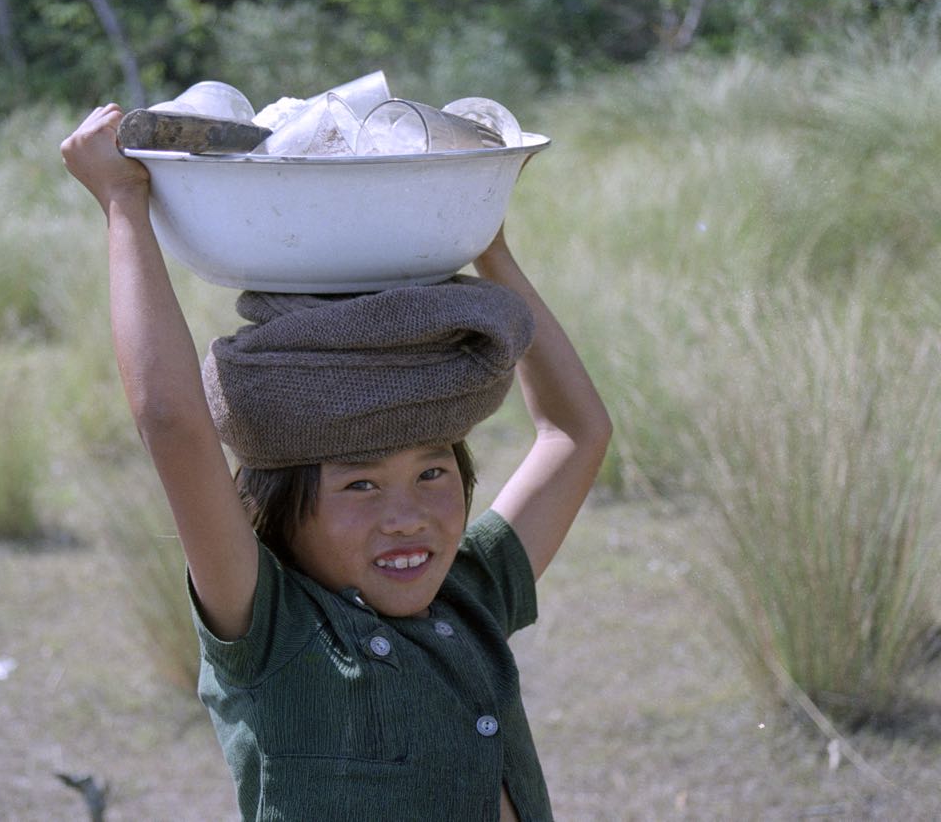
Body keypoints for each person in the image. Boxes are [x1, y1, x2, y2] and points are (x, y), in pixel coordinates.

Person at [61, 102, 611, 822]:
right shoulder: (273, 631)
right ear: (282, 505)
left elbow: (577, 432)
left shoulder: (471, 593)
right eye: (360, 484)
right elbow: (173, 424)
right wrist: (124, 202)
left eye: (433, 472)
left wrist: (486, 242)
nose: (407, 515)